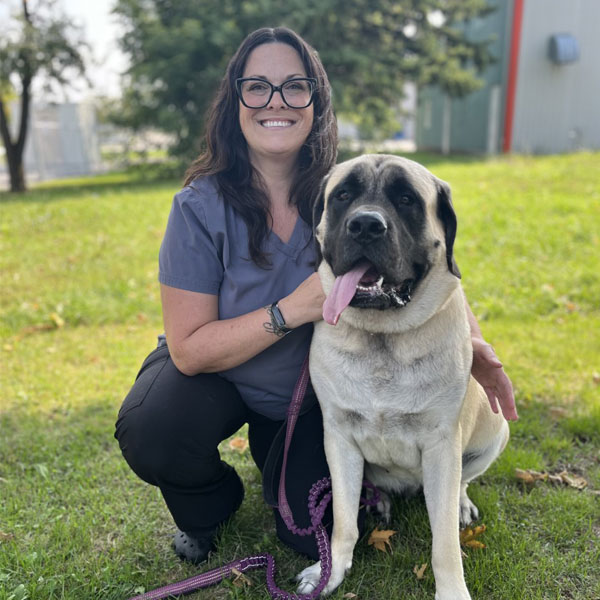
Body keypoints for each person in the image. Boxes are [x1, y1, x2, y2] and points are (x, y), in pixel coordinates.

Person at [114, 26, 517, 567]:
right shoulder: (198, 207)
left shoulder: (347, 184)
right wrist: (297, 307)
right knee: (153, 429)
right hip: (219, 377)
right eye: (257, 87)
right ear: (235, 100)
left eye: (294, 86)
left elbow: (424, 258)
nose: (275, 102)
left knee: (312, 533)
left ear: (315, 101)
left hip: (308, 402)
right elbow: (189, 350)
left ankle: (276, 461)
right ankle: (210, 504)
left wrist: (474, 343)